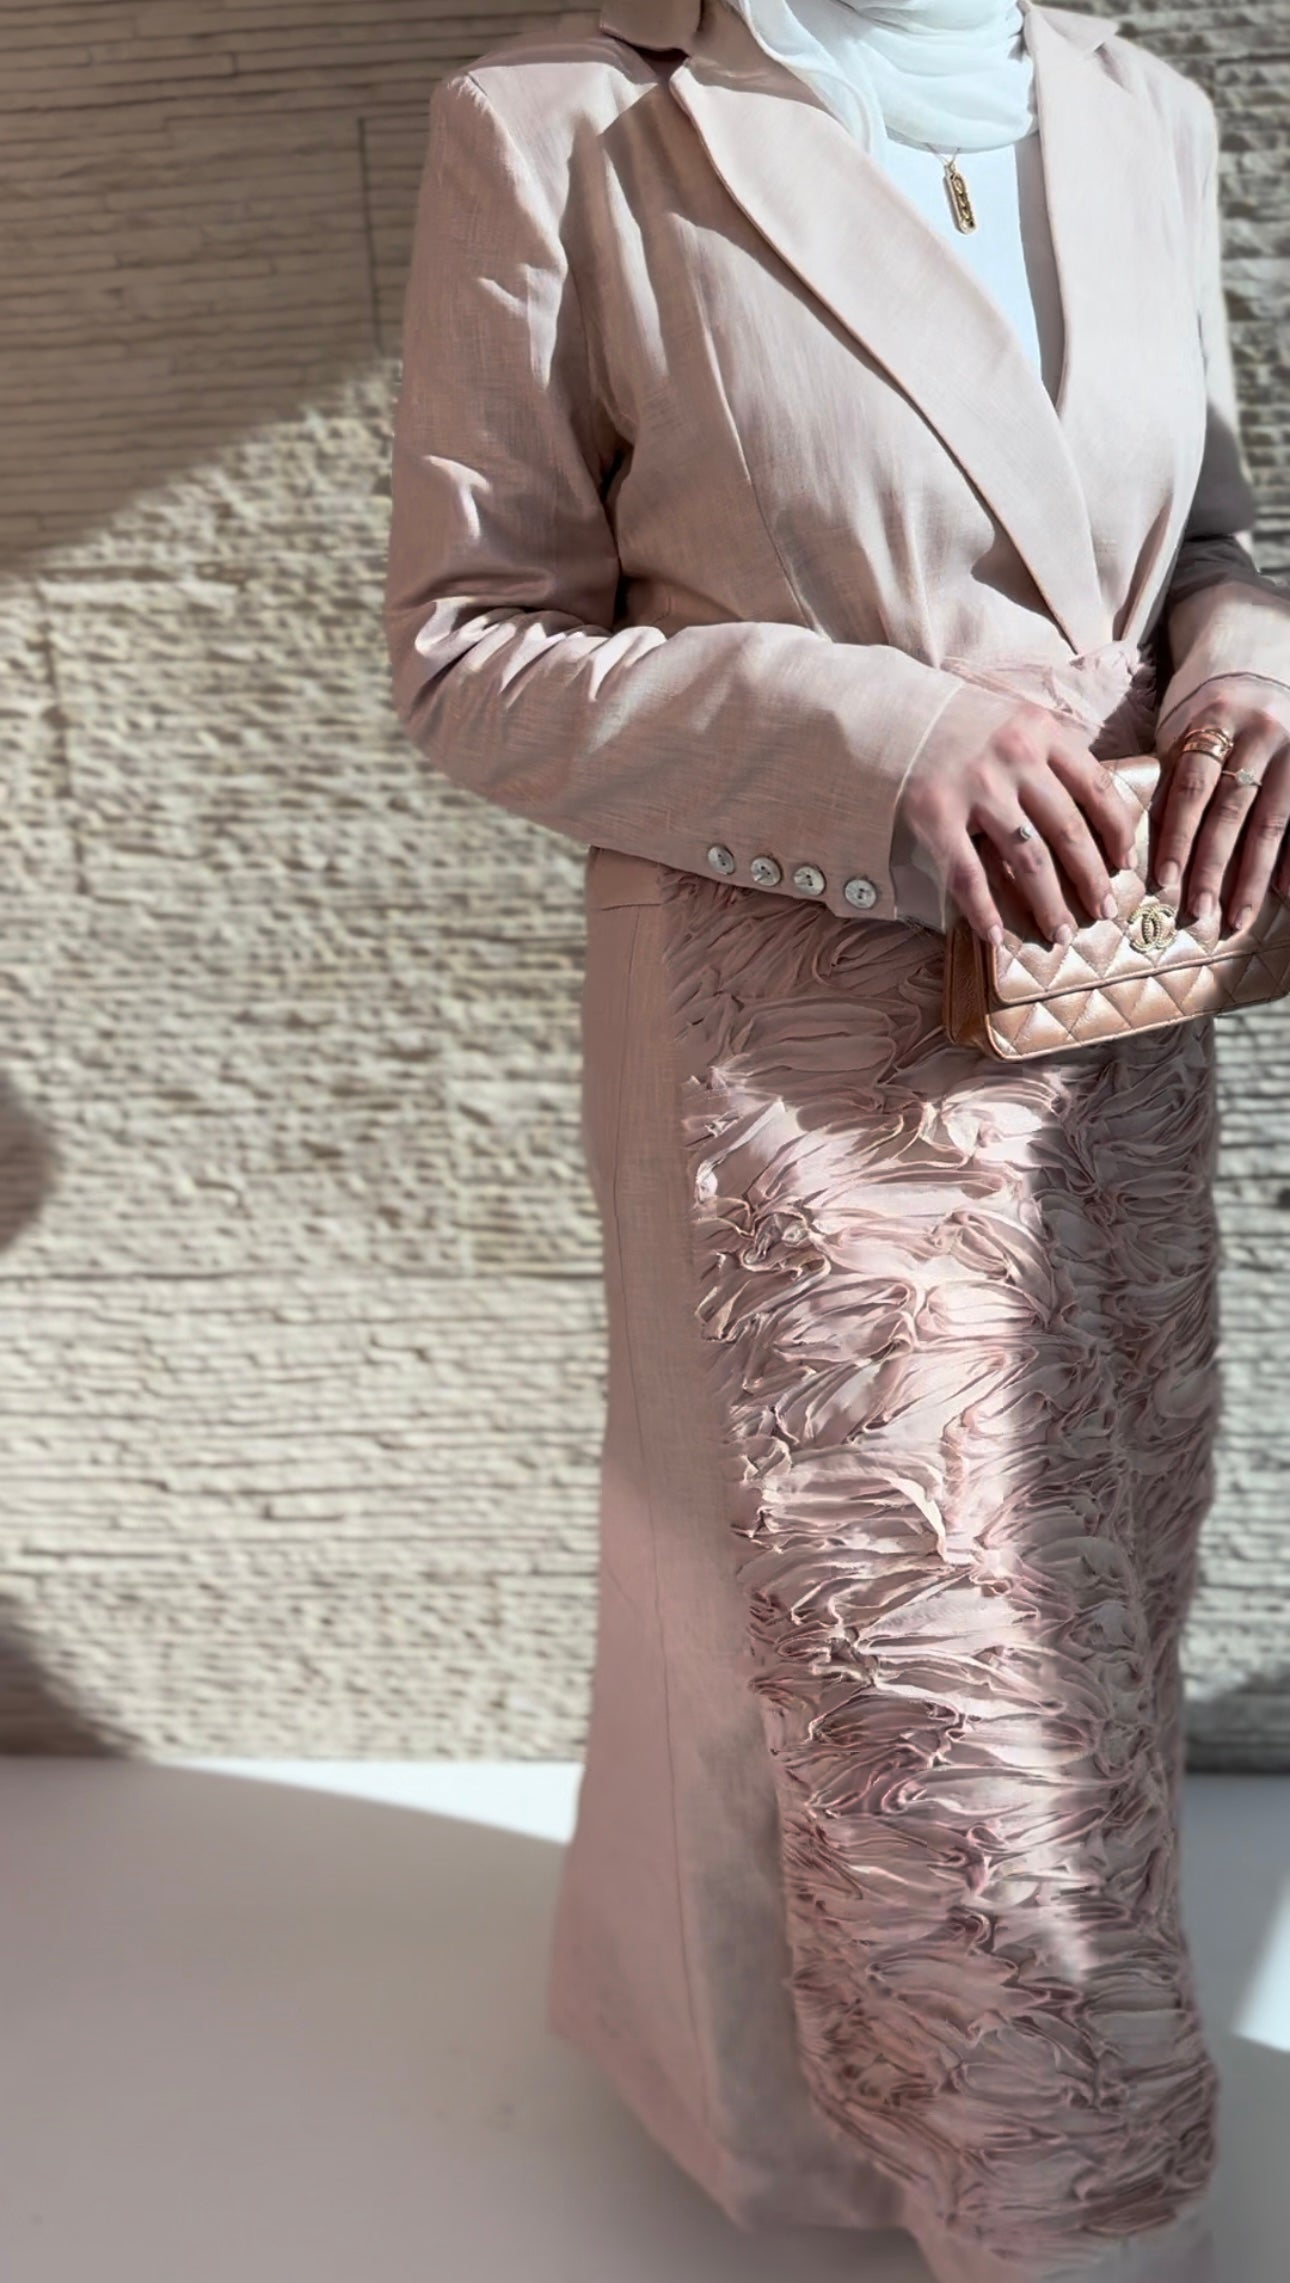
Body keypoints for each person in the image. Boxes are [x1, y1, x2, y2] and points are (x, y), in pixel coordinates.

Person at [383, 1, 1290, 2276]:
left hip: (1108, 993)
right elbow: (467, 649)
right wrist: (876, 735)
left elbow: (1197, 524)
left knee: (1087, 1571)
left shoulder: (1138, 109)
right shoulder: (567, 127)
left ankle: (862, 2112)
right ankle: (1046, 2201)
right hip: (785, 1037)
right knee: (903, 1628)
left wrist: (1248, 656)